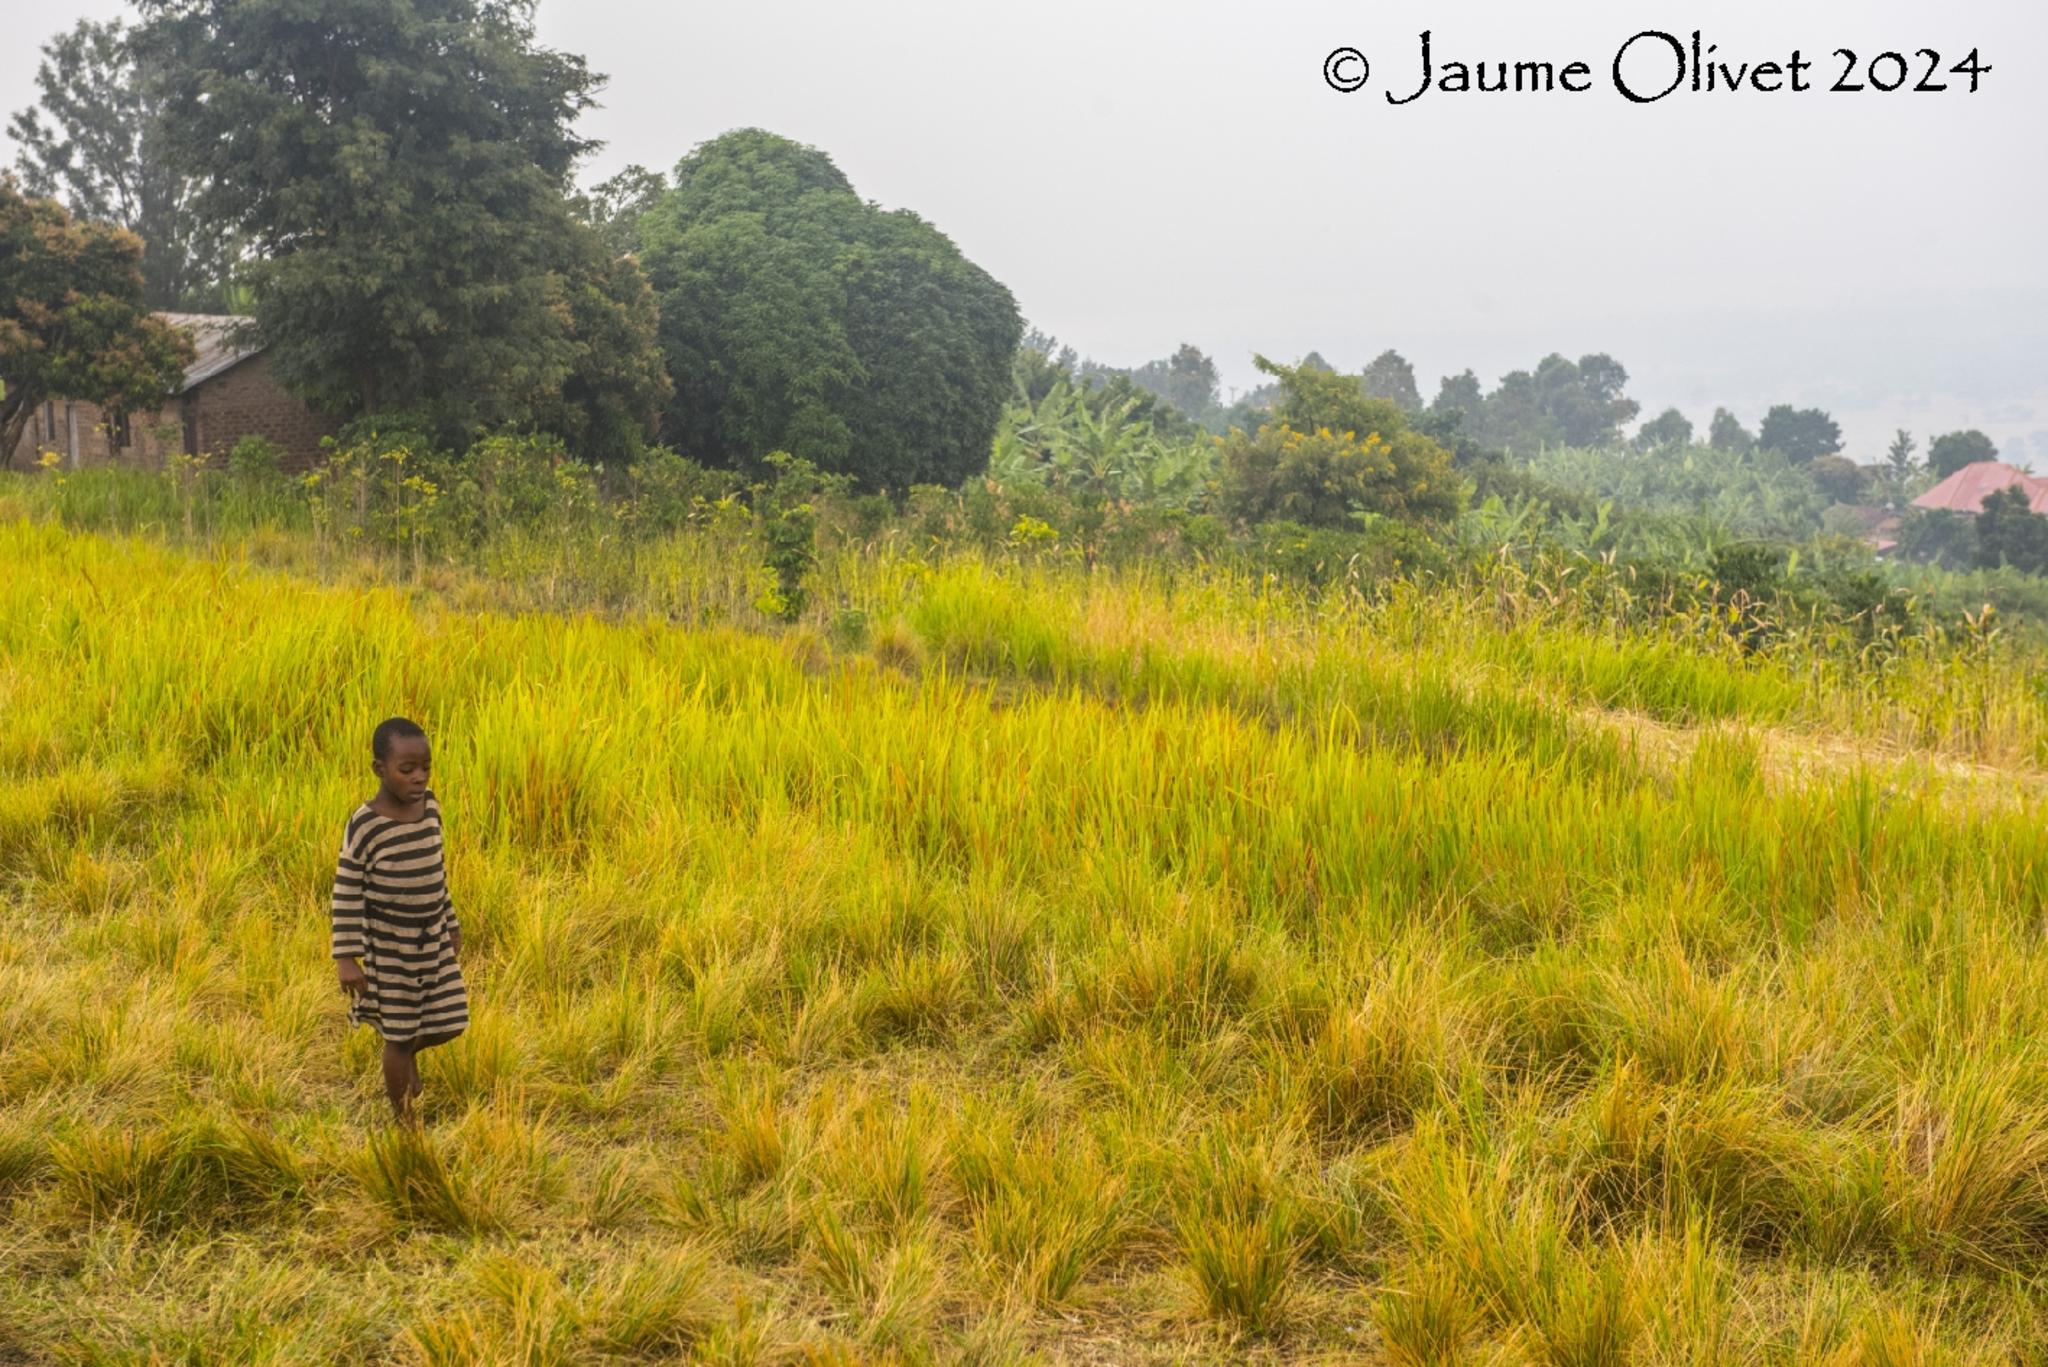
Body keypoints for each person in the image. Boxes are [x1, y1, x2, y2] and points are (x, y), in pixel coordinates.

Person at [331, 717, 468, 1122]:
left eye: (426, 767)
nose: (419, 777)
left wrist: (451, 920)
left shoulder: (431, 809)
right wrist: (346, 957)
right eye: (407, 770)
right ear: (380, 770)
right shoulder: (365, 824)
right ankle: (403, 1116)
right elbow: (346, 892)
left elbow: (436, 873)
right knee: (399, 1033)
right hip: (388, 945)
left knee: (452, 1019)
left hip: (431, 938)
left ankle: (408, 1055)